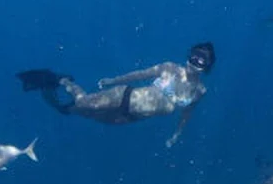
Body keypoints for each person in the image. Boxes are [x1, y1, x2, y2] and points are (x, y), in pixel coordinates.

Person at [17, 42, 215, 147]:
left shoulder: (200, 91)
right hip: (125, 96)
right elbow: (139, 74)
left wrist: (177, 134)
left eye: (202, 59)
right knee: (87, 103)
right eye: (194, 54)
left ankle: (54, 97)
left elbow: (187, 113)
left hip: (130, 117)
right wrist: (113, 81)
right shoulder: (170, 67)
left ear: (207, 66)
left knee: (78, 111)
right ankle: (62, 80)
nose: (196, 60)